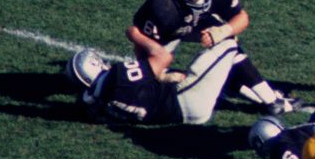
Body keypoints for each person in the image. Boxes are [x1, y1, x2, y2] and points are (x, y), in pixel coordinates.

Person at [127, 0, 304, 115]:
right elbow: (135, 33)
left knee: (228, 43)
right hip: (169, 33)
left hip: (197, 22)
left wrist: (222, 31)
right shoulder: (163, 6)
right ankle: (268, 99)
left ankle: (270, 101)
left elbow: (242, 18)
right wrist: (156, 73)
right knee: (155, 80)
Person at [65, 40, 240, 125]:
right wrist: (137, 36)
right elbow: (163, 57)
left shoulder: (93, 108)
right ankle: (268, 100)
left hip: (180, 117)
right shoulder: (118, 76)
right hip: (186, 96)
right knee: (228, 42)